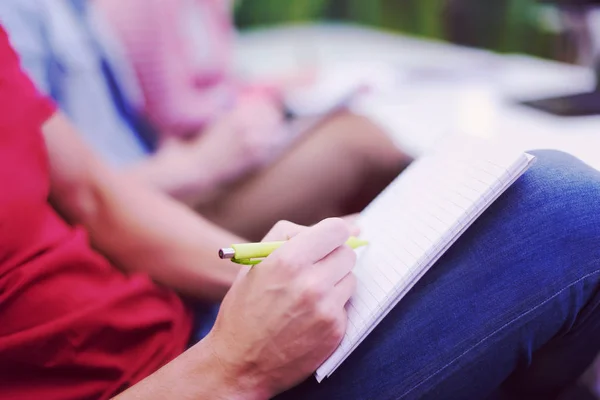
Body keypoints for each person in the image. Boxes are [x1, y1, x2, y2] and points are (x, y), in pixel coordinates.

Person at [2, 26, 600, 400]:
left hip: (185, 327)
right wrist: (234, 366)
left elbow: (97, 196)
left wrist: (254, 280)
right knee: (562, 207)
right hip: (200, 380)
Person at [0, 0, 410, 240]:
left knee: (356, 136)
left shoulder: (73, 10)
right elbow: (73, 196)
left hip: (172, 180)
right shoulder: (29, 16)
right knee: (358, 143)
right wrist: (201, 161)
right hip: (159, 200)